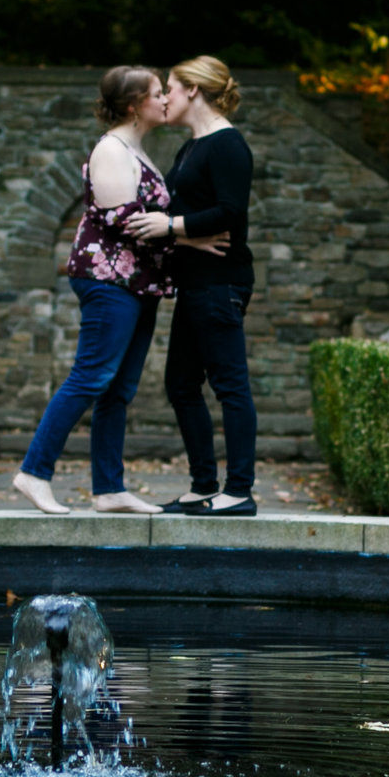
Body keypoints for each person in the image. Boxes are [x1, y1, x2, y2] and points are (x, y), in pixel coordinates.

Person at [12, 66, 195, 514]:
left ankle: (109, 489)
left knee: (118, 388)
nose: (166, 99)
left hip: (137, 285)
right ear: (134, 105)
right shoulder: (111, 150)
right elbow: (126, 221)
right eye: (157, 93)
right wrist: (192, 236)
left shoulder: (137, 150)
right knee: (90, 375)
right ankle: (33, 473)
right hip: (108, 281)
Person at [126, 56, 257, 516]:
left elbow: (231, 214)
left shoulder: (227, 145)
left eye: (171, 89)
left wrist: (171, 225)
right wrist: (183, 232)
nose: (165, 97)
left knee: (229, 385)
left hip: (221, 283)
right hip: (195, 283)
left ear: (194, 91)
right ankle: (204, 484)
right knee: (181, 383)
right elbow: (189, 219)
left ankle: (239, 491)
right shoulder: (190, 148)